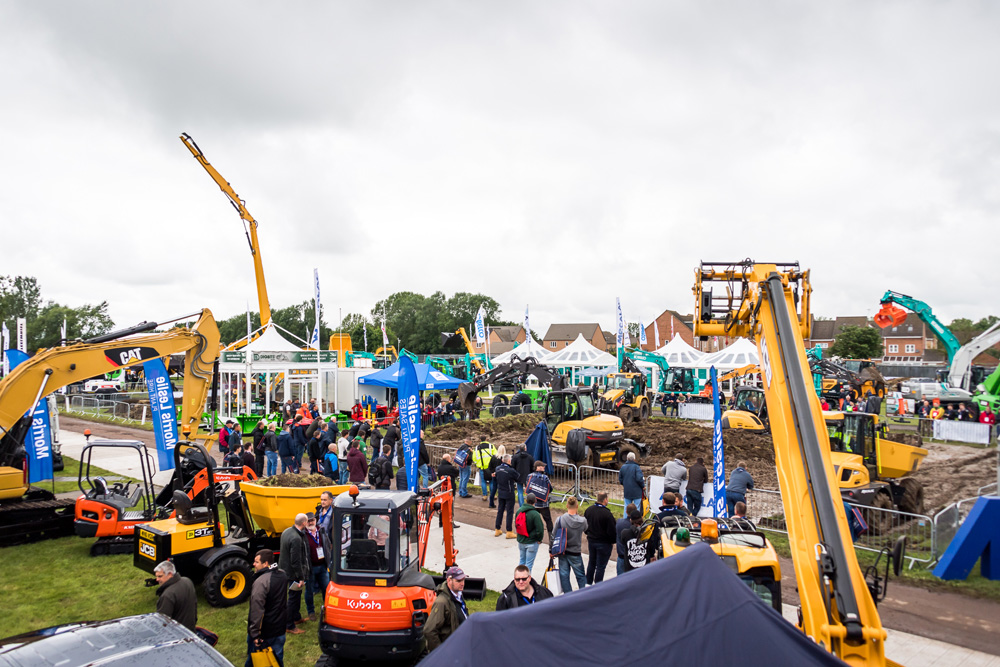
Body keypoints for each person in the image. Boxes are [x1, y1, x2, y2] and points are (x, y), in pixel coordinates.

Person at [246, 549, 288, 667]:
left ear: (265, 564)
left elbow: (257, 610)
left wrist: (255, 634)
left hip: (265, 632)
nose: (253, 564)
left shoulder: (261, 582)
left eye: (256, 562)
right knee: (277, 660)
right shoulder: (282, 575)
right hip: (279, 629)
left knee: (254, 660)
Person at [424, 566, 469, 651]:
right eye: (458, 581)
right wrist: (440, 652)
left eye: (463, 580)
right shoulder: (441, 602)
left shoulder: (458, 595)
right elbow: (429, 630)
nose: (462, 583)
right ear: (449, 580)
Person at [278, 513, 309, 634]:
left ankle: (296, 617)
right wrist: (300, 577)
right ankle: (289, 625)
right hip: (293, 573)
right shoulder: (296, 538)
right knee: (293, 598)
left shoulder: (286, 531)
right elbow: (295, 561)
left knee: (295, 596)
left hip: (284, 569)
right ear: (304, 523)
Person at [153, 560, 197, 631]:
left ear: (170, 574)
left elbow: (162, 623)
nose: (157, 579)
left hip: (177, 635)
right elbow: (194, 606)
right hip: (190, 630)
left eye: (160, 576)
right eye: (157, 576)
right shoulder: (187, 581)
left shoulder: (167, 595)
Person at [556, 496, 588, 593]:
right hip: (575, 552)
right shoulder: (582, 521)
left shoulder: (560, 519)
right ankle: (583, 596)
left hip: (563, 551)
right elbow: (586, 530)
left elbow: (554, 535)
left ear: (567, 505)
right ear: (577, 506)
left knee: (564, 575)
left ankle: (568, 597)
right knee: (581, 576)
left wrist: (551, 550)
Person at [584, 492, 616, 584]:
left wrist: (588, 533)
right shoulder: (607, 514)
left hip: (591, 541)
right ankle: (598, 585)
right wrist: (612, 541)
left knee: (591, 563)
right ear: (605, 499)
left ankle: (588, 583)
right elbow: (612, 531)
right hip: (604, 544)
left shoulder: (589, 510)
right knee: (600, 567)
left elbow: (585, 525)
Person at [303, 513, 328, 622]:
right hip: (310, 567)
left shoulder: (321, 530)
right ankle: (311, 612)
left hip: (323, 566)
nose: (310, 523)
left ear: (315, 520)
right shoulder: (303, 534)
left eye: (312, 520)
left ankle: (328, 610)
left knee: (326, 590)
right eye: (308, 521)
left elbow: (327, 545)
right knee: (309, 591)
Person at [514, 492, 544, 572]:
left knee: (521, 563)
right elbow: (540, 530)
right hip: (531, 542)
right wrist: (539, 539)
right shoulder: (535, 514)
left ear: (526, 500)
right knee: (528, 566)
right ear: (535, 501)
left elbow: (516, 525)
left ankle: (518, 579)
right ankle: (525, 582)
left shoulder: (519, 511)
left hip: (521, 541)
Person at [525, 461, 554, 542]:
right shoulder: (545, 477)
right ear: (537, 467)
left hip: (533, 504)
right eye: (542, 466)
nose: (544, 467)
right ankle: (551, 539)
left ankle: (535, 538)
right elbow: (550, 488)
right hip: (543, 504)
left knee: (534, 521)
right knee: (548, 521)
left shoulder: (529, 476)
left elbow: (527, 486)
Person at [494, 454, 519, 538]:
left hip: (500, 491)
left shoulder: (497, 469)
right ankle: (509, 531)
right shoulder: (510, 470)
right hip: (509, 492)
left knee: (500, 510)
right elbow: (517, 477)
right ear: (509, 461)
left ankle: (497, 529)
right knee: (510, 511)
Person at [472, 438, 497, 505]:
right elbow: (495, 455)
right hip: (491, 467)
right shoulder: (491, 446)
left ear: (480, 440)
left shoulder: (477, 448)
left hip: (482, 467)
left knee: (483, 481)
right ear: (486, 439)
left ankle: (485, 495)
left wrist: (478, 464)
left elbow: (474, 458)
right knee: (492, 481)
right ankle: (493, 495)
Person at [615, 503, 637, 576]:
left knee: (620, 581)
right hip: (633, 557)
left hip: (621, 556)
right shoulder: (637, 527)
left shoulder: (619, 522)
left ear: (626, 511)